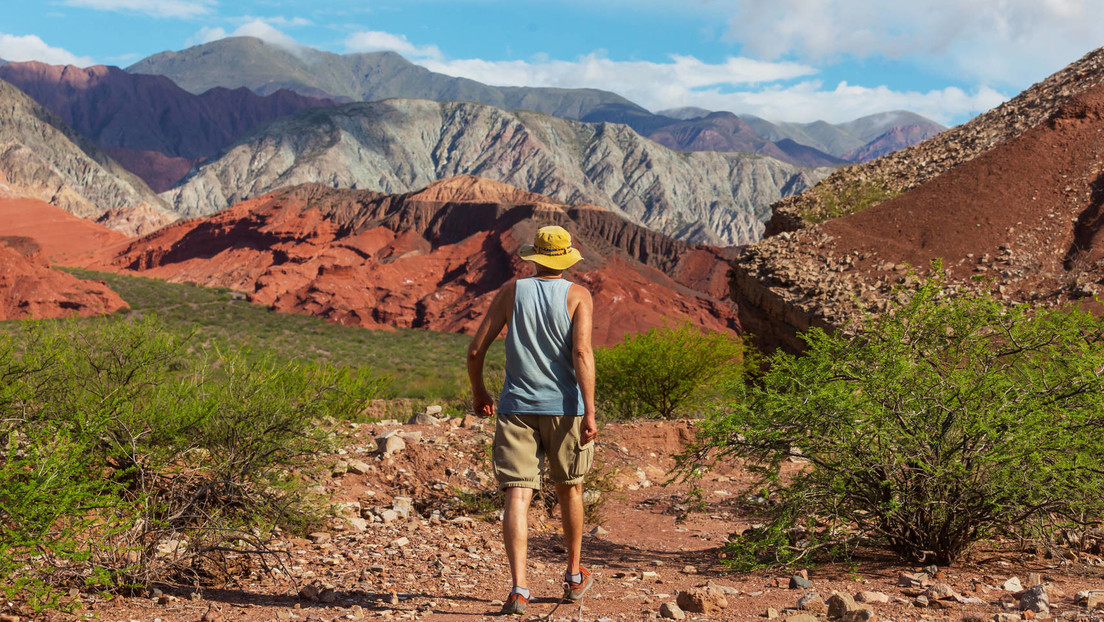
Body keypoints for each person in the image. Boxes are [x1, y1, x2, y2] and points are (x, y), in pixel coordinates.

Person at [466, 224, 599, 616]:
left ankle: (519, 590)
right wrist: (590, 411)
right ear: (567, 258)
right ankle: (574, 577)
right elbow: (582, 354)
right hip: (565, 408)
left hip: (516, 407)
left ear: (534, 256)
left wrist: (479, 393)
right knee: (569, 489)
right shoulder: (579, 296)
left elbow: (476, 351)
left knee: (517, 496)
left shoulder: (512, 292)